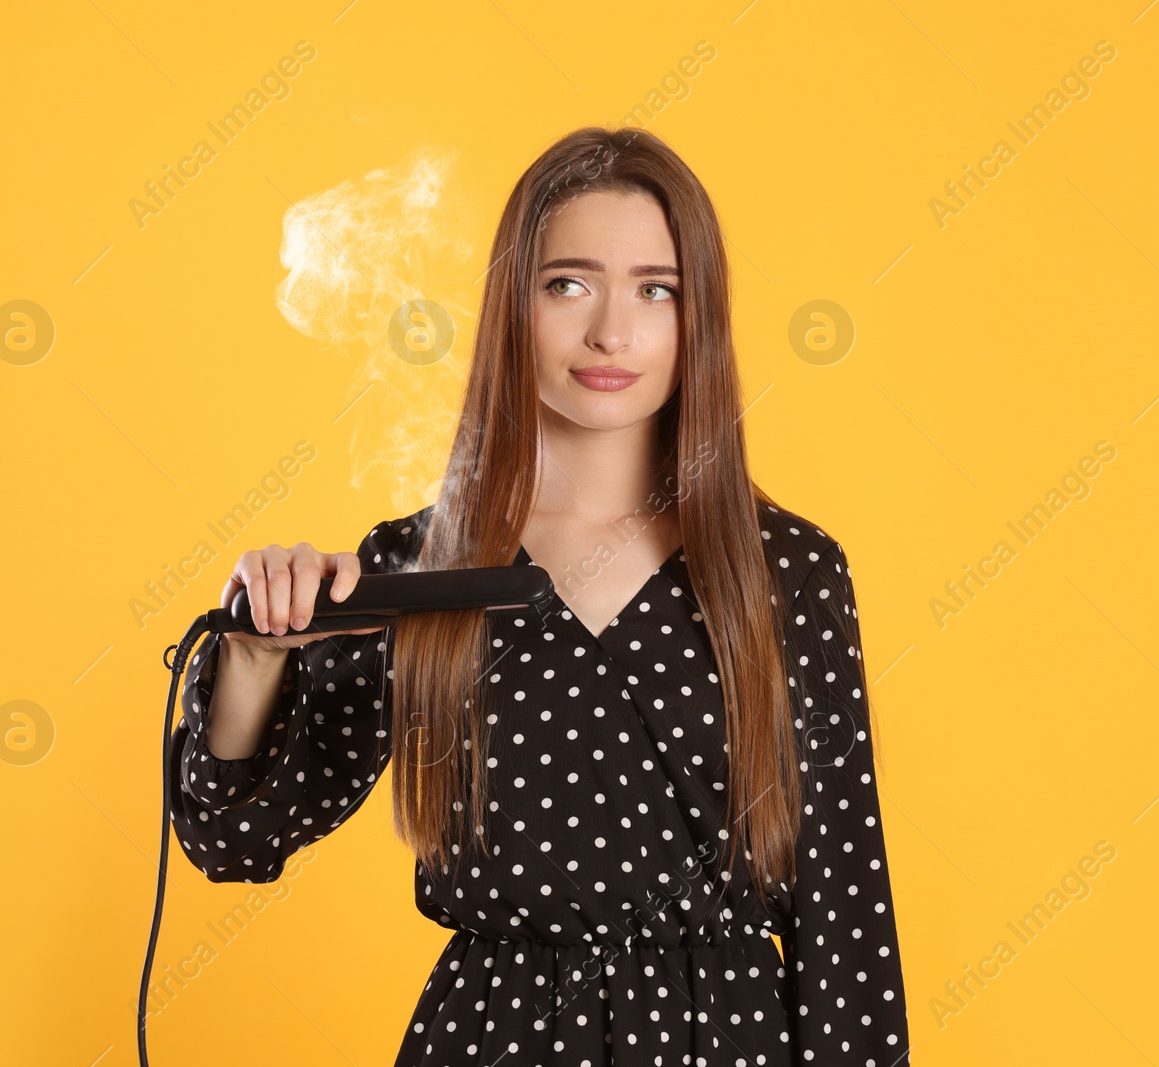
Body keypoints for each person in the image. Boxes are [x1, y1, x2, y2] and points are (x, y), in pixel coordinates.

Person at [168, 126, 912, 1065]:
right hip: (492, 1038)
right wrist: (256, 654)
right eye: (569, 283)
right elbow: (234, 839)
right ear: (512, 308)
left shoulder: (788, 572)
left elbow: (846, 914)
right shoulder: (420, 569)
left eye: (656, 289)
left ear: (701, 318)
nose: (611, 330)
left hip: (725, 1041)